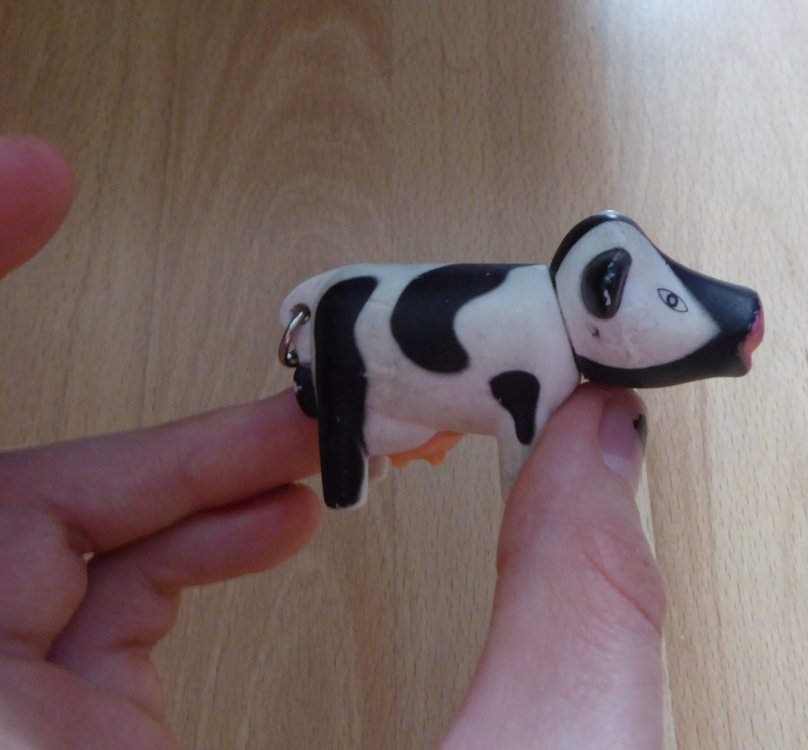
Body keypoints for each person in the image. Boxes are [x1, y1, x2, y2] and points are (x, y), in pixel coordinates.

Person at [0, 136, 665, 749]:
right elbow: (520, 438)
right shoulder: (529, 339)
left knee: (353, 430)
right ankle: (347, 472)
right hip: (375, 344)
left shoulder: (531, 333)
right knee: (347, 427)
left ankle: (350, 471)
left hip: (379, 337)